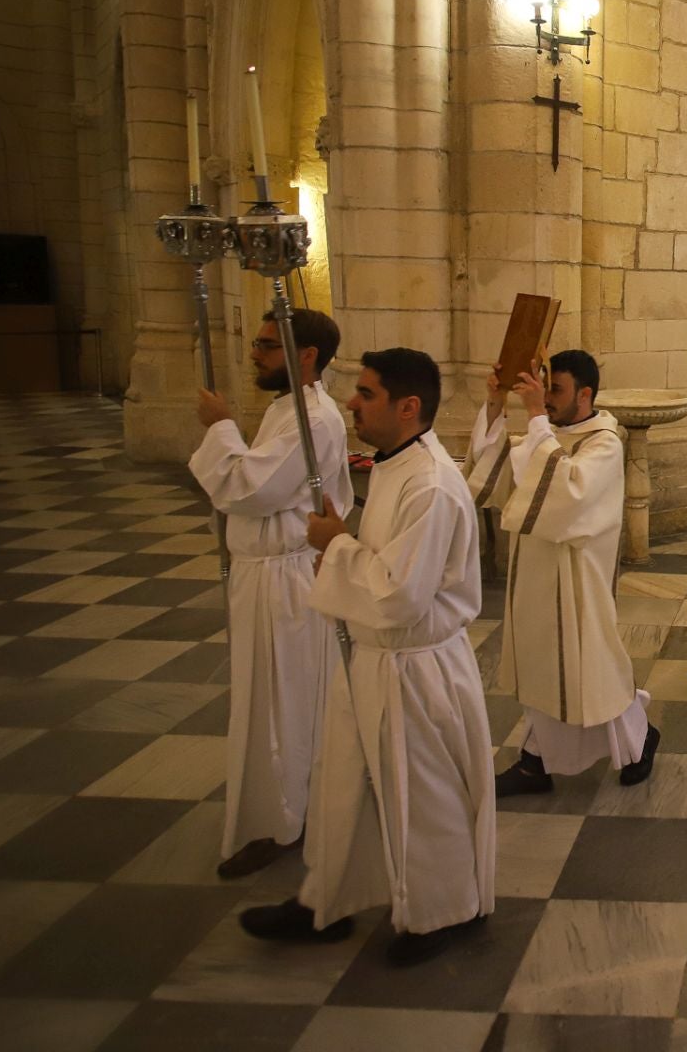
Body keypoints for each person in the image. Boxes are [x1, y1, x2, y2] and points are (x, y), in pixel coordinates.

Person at [243, 349, 493, 967]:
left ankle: (443, 912)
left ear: (408, 407)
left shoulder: (431, 484)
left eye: (368, 393)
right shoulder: (394, 466)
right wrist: (345, 548)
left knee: (424, 797)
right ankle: (326, 901)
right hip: (373, 657)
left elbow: (402, 596)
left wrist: (337, 546)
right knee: (343, 785)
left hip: (415, 666)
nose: (351, 403)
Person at [189, 308, 352, 880]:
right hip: (264, 576)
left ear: (306, 356)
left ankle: (285, 818)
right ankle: (283, 810)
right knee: (268, 702)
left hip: (287, 582)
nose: (254, 354)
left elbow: (250, 488)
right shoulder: (288, 408)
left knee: (283, 706)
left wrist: (220, 427)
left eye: (266, 345)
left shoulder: (317, 419)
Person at [470, 350, 657, 796]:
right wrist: (496, 402)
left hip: (577, 581)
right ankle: (534, 762)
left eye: (555, 389)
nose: (547, 398)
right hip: (535, 576)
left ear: (585, 393)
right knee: (543, 667)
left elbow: (570, 493)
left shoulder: (604, 443)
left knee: (590, 670)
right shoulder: (546, 436)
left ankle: (640, 739)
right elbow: (495, 469)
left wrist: (536, 415)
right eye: (545, 388)